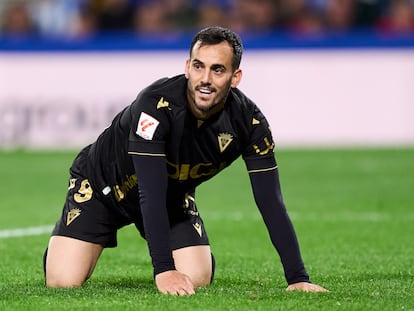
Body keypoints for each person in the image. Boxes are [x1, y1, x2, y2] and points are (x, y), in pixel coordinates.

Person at [43, 26, 328, 295]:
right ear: (187, 66)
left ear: (235, 77)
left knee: (197, 278)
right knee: (63, 281)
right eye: (198, 66)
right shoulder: (156, 106)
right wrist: (164, 270)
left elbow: (270, 200)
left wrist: (297, 278)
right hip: (102, 188)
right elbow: (149, 192)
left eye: (218, 70)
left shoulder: (249, 121)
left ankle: (195, 251)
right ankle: (67, 244)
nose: (205, 79)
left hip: (170, 197)